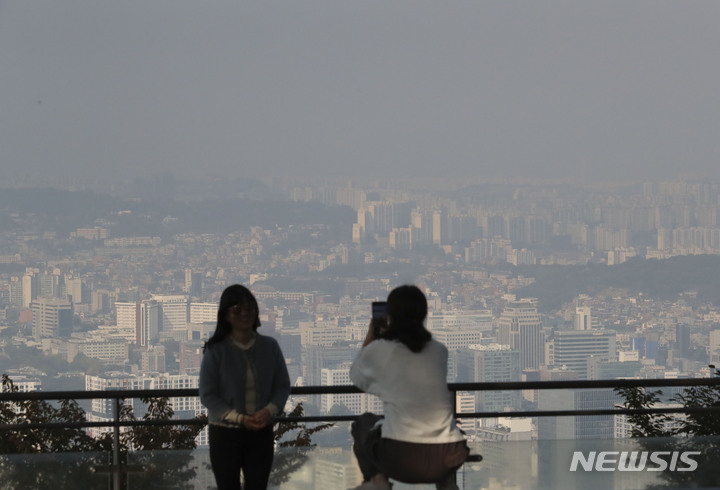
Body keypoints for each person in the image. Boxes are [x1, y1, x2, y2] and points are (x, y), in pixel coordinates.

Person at [349, 285, 469, 490]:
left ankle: (377, 480)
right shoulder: (440, 351)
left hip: (400, 458)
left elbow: (358, 378)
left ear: (390, 316)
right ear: (424, 314)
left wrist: (372, 337)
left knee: (363, 423)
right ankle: (446, 484)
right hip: (447, 456)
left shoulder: (381, 351)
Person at [199, 284, 291, 490]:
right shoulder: (216, 351)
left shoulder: (270, 346)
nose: (245, 313)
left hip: (261, 431)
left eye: (249, 307)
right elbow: (207, 394)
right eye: (237, 309)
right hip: (225, 434)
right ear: (226, 315)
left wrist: (269, 411)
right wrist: (239, 418)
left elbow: (283, 385)